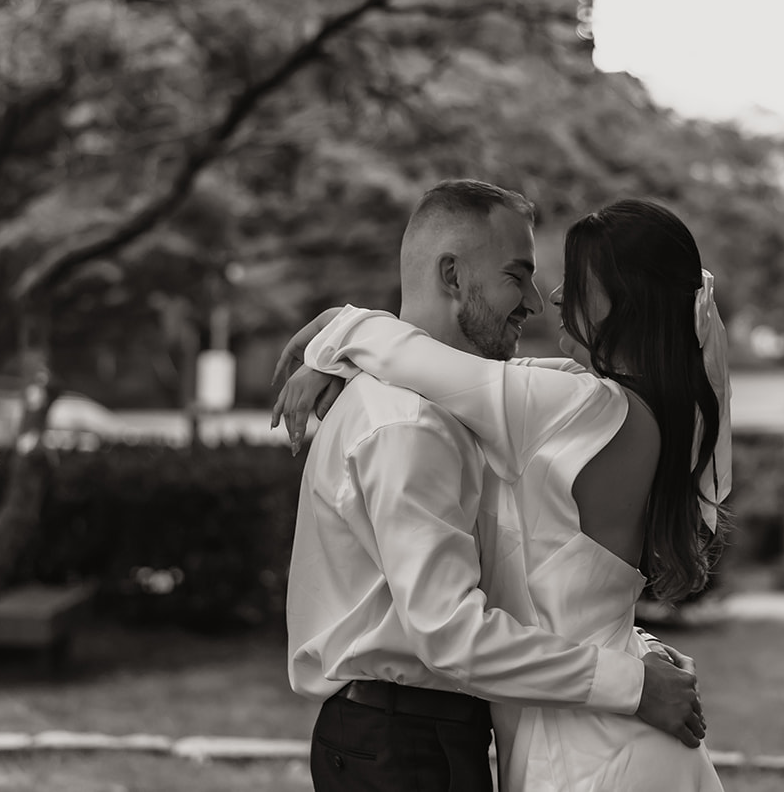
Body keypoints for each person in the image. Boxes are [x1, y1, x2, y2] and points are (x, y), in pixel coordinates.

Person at [275, 196, 731, 792]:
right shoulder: (607, 401)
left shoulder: (585, 408)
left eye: (578, 282)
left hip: (592, 742)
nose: (555, 299)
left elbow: (413, 358)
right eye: (525, 276)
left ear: (625, 301)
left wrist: (339, 330)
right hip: (575, 724)